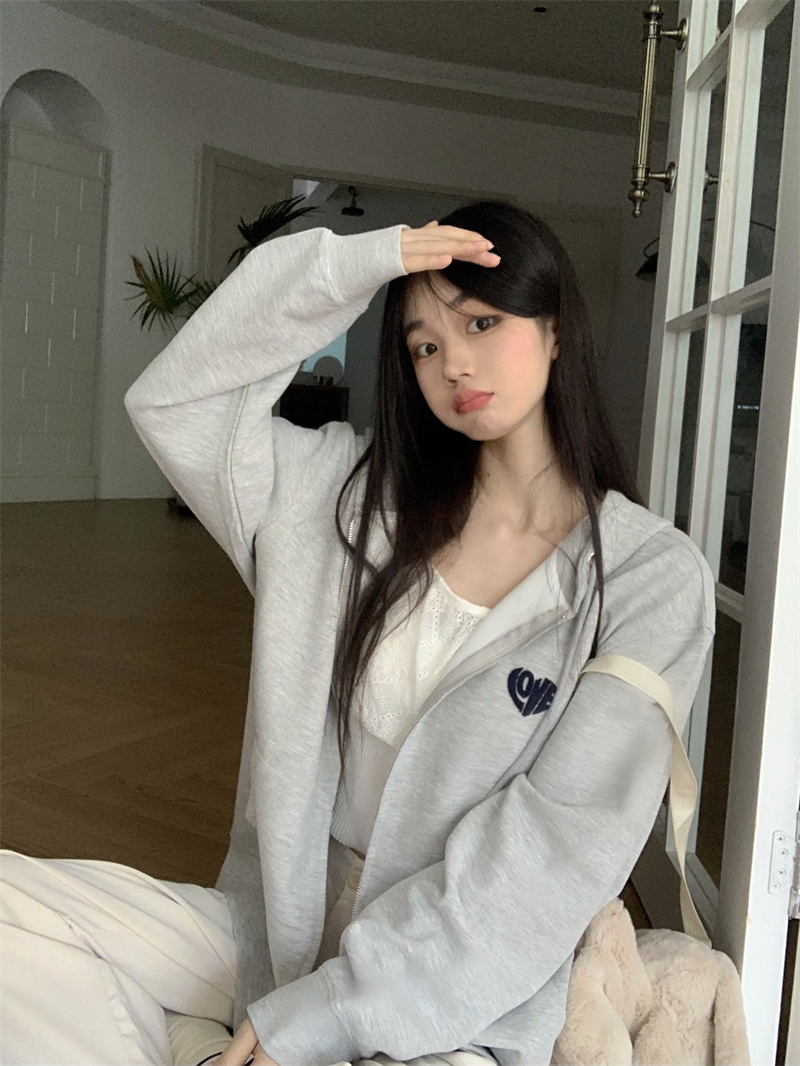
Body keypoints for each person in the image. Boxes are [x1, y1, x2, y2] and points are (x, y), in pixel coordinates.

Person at [0, 201, 715, 1066]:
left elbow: (552, 852)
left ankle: (196, 1045)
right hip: (276, 926)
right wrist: (356, 265)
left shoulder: (647, 576)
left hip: (453, 991)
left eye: (481, 323)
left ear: (556, 330)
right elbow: (175, 402)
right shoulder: (339, 493)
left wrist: (332, 1012)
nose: (454, 362)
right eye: (423, 344)